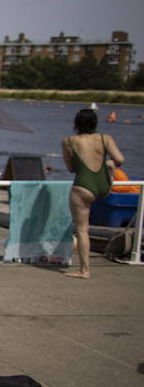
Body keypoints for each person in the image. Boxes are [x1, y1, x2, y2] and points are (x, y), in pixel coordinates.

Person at [62, 108, 125, 279]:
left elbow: (71, 168)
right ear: (95, 123)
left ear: (77, 123)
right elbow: (120, 160)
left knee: (82, 229)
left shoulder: (69, 141)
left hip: (83, 185)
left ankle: (84, 270)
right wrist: (108, 164)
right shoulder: (106, 138)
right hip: (104, 185)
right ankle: (107, 171)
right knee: (110, 166)